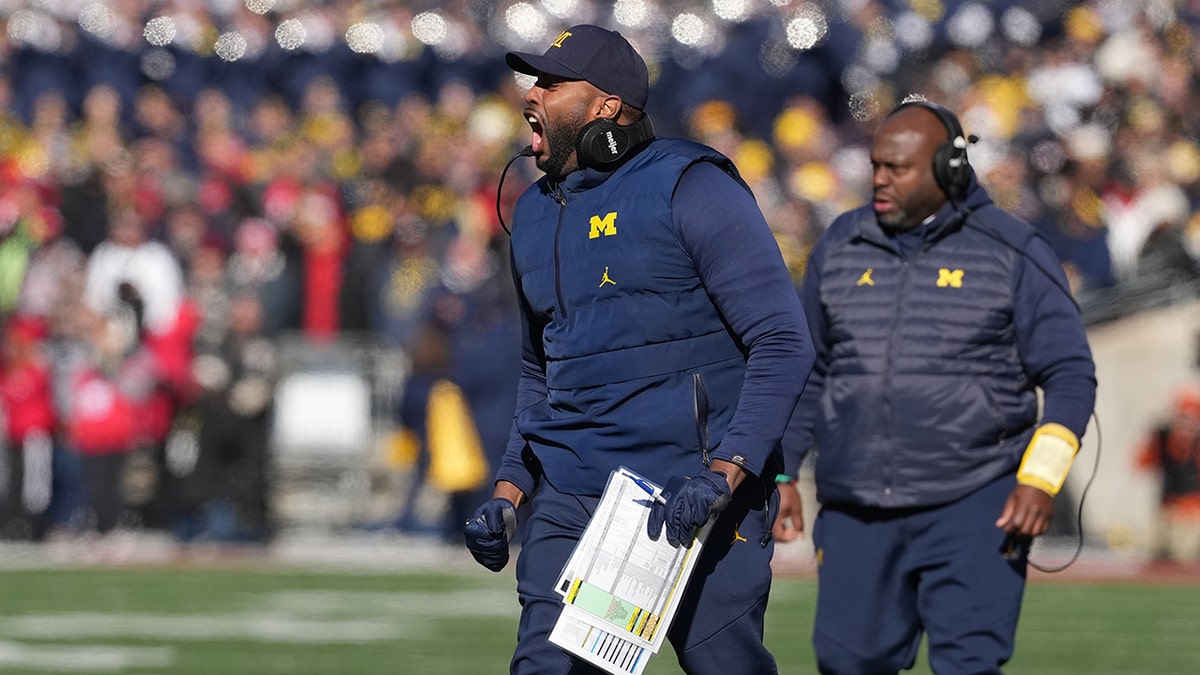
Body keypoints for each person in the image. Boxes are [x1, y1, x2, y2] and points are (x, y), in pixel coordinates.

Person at [462, 24, 815, 675]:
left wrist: (729, 469)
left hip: (697, 489)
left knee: (725, 665)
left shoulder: (693, 185)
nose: (531, 94)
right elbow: (540, 370)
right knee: (545, 667)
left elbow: (784, 339)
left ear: (605, 109)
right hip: (575, 491)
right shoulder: (533, 213)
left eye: (550, 81)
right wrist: (509, 490)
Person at [780, 100, 1097, 674]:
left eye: (896, 168)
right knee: (845, 662)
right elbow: (809, 371)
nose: (879, 178)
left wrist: (1041, 478)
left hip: (977, 501)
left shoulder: (1015, 249)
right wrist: (781, 472)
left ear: (949, 169)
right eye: (875, 164)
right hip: (856, 504)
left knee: (969, 665)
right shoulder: (840, 244)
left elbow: (1070, 374)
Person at [1135, 381, 1200, 564]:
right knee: (1153, 552)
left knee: (1183, 555)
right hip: (1166, 508)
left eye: (1191, 420)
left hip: (1191, 511)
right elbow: (1141, 464)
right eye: (1183, 418)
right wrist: (1152, 441)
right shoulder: (1163, 438)